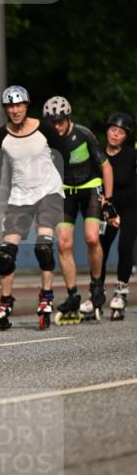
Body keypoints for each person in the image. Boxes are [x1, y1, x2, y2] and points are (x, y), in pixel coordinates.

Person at [0, 85, 65, 330]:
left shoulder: (45, 128)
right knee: (6, 254)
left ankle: (46, 297)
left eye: (19, 105)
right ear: (6, 109)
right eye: (10, 106)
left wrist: (66, 184)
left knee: (43, 248)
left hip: (49, 192)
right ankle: (5, 302)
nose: (15, 110)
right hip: (19, 197)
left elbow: (64, 155)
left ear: (26, 106)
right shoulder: (2, 135)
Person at [42, 96, 118, 320]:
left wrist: (110, 200)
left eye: (60, 121)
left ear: (68, 118)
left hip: (89, 187)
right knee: (64, 243)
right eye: (51, 122)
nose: (56, 126)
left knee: (92, 238)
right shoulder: (46, 140)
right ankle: (73, 294)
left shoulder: (83, 134)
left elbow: (106, 167)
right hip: (65, 190)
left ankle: (96, 286)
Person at [100, 112, 136, 320]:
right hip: (108, 207)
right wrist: (108, 209)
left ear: (126, 137)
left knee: (124, 246)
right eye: (113, 130)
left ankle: (121, 292)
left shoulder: (131, 155)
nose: (115, 135)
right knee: (100, 248)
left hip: (132, 206)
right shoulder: (98, 155)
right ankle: (97, 290)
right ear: (107, 131)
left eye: (121, 133)